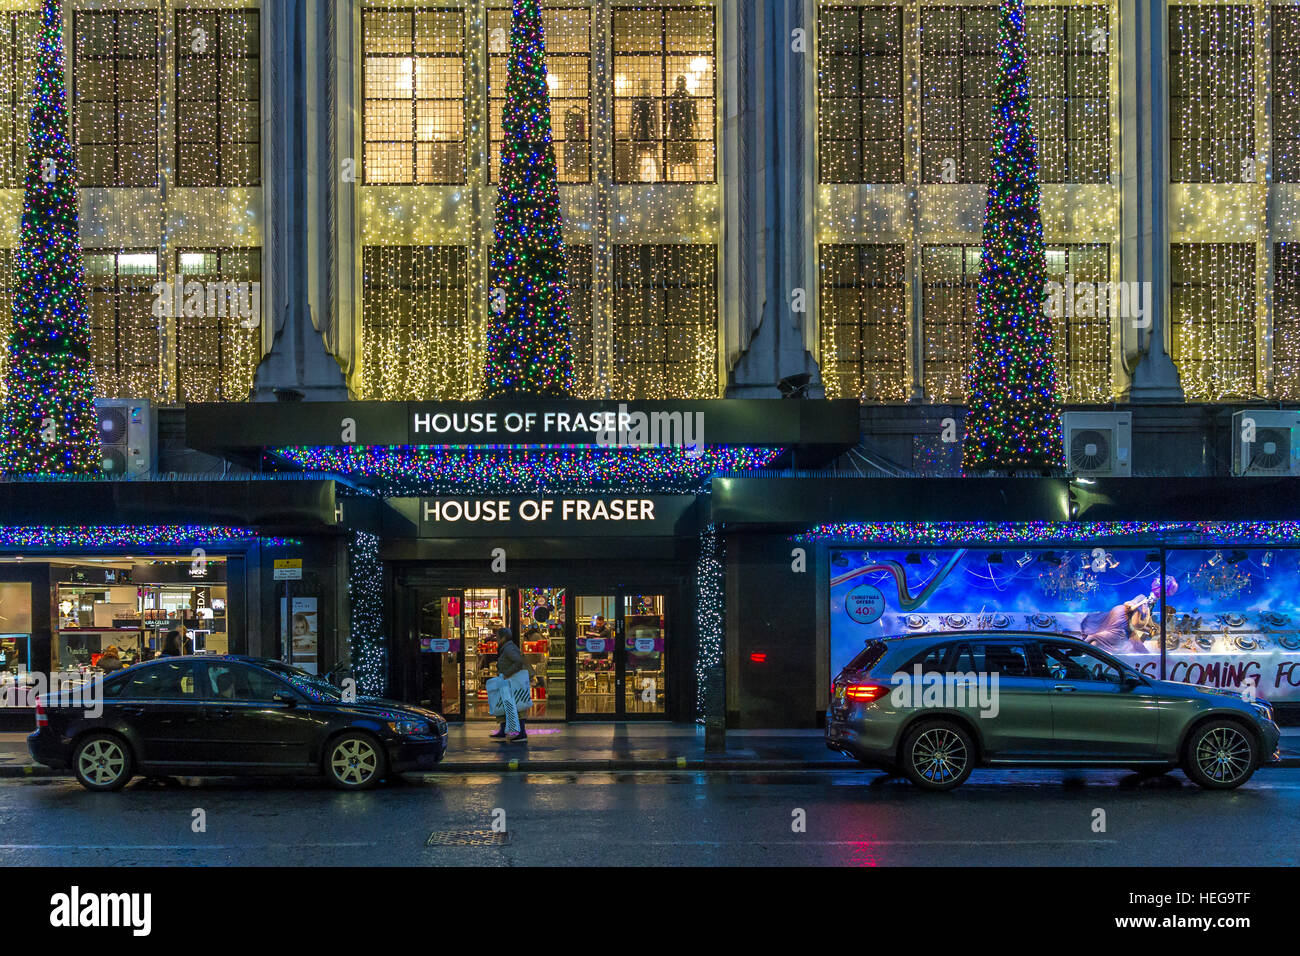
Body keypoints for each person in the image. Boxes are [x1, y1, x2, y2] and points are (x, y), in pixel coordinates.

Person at [490, 627, 530, 742]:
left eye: (498, 637)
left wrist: (506, 674)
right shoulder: (506, 648)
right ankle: (504, 731)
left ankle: (521, 733)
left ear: (503, 638)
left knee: (518, 706)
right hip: (508, 681)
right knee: (503, 704)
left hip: (512, 682)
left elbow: (518, 662)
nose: (496, 639)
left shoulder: (509, 648)